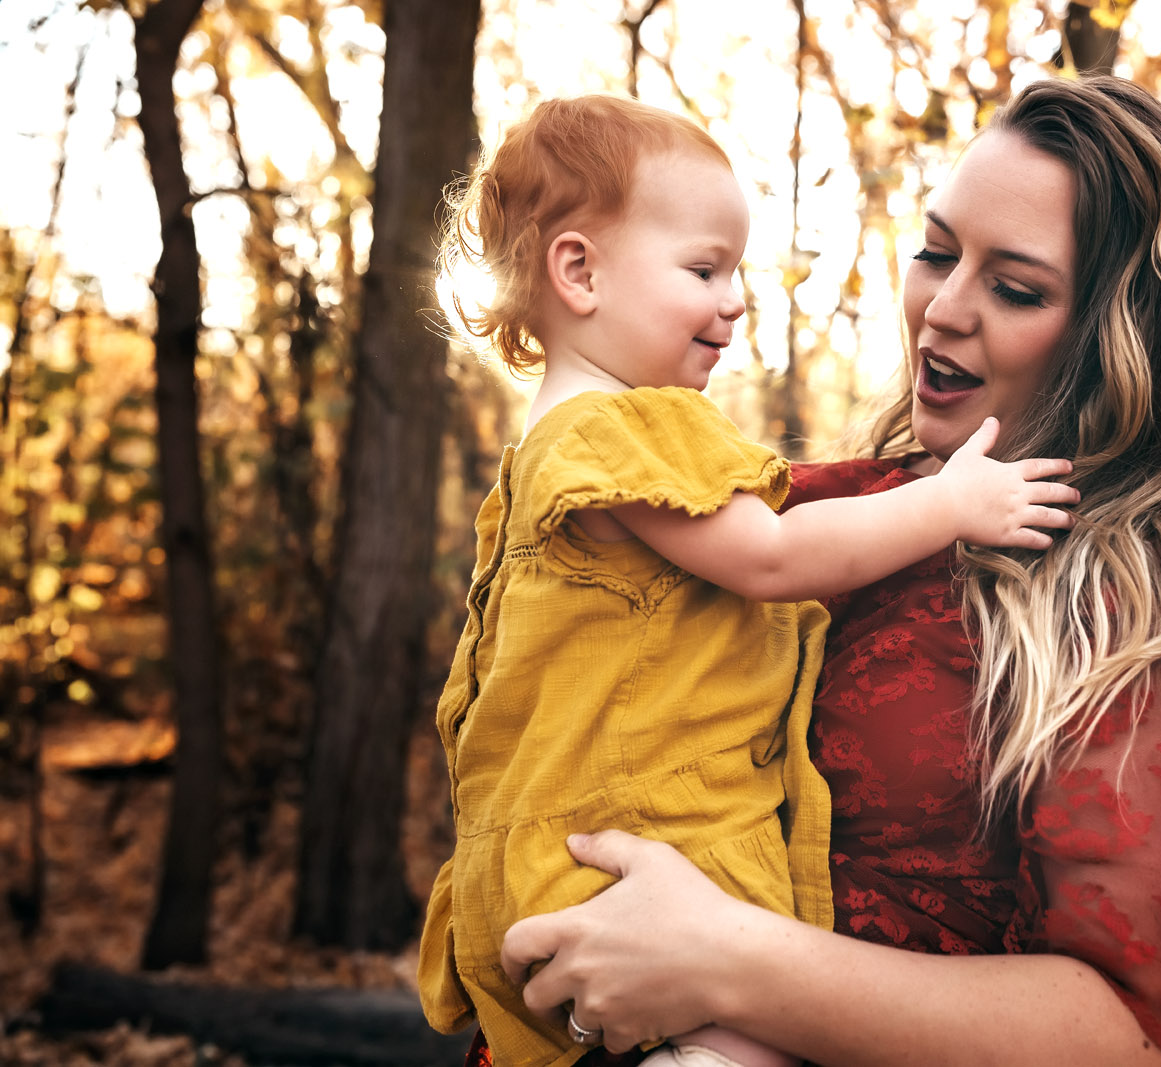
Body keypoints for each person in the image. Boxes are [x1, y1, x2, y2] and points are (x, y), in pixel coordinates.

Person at [493, 75, 1161, 1067]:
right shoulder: (812, 508)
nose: (941, 309)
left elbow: (1148, 1038)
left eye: (1014, 287)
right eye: (936, 252)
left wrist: (727, 962)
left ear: (1125, 337)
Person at [416, 94, 1078, 1067]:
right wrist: (950, 503)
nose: (735, 300)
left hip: (553, 848)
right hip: (651, 834)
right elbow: (773, 557)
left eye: (733, 270)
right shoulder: (628, 428)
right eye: (702, 269)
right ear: (578, 269)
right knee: (735, 1037)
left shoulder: (549, 447)